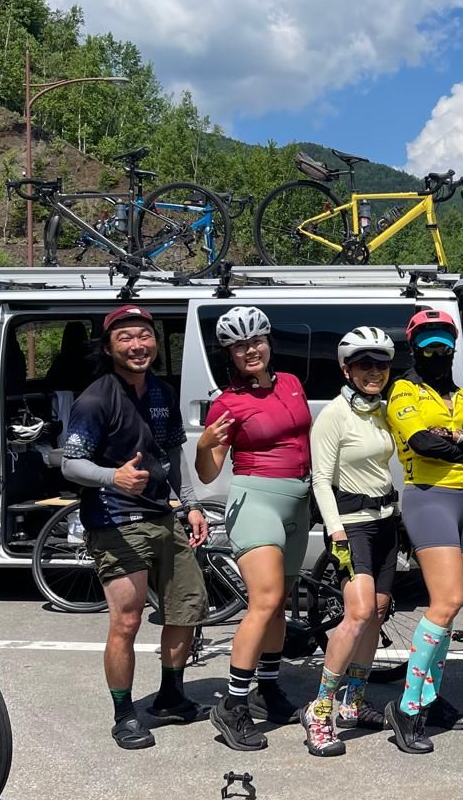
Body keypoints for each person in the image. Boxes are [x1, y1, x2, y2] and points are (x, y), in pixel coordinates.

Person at [60, 304, 210, 750]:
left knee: (187, 609)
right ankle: (124, 713)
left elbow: (173, 456)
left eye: (144, 336)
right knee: (126, 621)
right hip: (115, 521)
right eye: (125, 337)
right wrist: (113, 476)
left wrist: (191, 505)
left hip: (163, 517)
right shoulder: (95, 399)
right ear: (109, 347)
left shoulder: (162, 392)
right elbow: (71, 463)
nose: (137, 345)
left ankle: (171, 696)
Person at [382, 308, 463, 754]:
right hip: (429, 498)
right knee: (449, 600)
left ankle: (430, 696)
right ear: (413, 347)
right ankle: (408, 707)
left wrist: (452, 439)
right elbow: (421, 443)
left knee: (447, 609)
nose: (439, 351)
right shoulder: (403, 389)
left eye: (445, 342)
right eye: (429, 343)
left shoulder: (462, 396)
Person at [194, 305, 314, 752]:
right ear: (229, 353)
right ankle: (233, 704)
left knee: (280, 602)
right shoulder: (227, 403)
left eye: (257, 341)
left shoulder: (292, 384)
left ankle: (268, 687)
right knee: (263, 600)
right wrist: (205, 445)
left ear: (269, 342)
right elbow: (208, 473)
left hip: (298, 503)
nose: (251, 350)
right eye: (240, 345)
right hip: (255, 500)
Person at [306, 326, 403, 756]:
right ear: (347, 369)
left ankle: (355, 700)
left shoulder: (383, 411)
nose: (374, 371)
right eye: (364, 364)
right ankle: (321, 708)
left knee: (378, 611)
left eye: (381, 364)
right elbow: (321, 481)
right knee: (359, 610)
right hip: (351, 524)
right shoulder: (333, 415)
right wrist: (335, 530)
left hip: (385, 522)